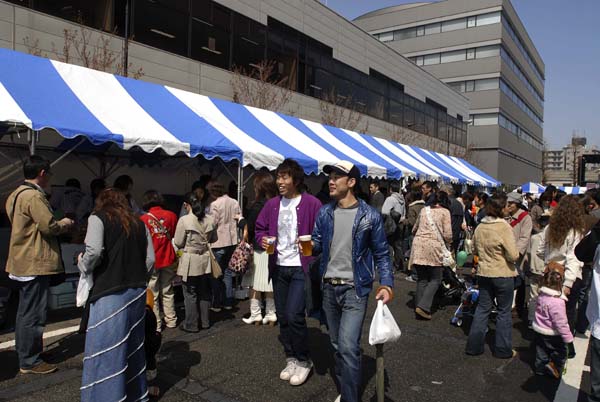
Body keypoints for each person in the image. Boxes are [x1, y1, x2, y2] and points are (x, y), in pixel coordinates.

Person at [312, 161, 394, 402]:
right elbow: (316, 242)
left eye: (337, 176)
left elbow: (381, 253)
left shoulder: (370, 216)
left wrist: (386, 283)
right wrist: (307, 245)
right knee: (338, 345)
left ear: (351, 182)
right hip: (328, 287)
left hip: (355, 290)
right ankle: (346, 388)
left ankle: (349, 397)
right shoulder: (325, 212)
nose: (331, 180)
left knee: (348, 347)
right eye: (330, 176)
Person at [78, 188, 155, 401]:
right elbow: (150, 260)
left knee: (106, 349)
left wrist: (83, 265)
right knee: (133, 348)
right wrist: (142, 279)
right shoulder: (139, 222)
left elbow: (92, 251)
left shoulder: (98, 218)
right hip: (137, 291)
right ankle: (135, 395)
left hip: (110, 292)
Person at [255, 158, 322, 386]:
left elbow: (322, 232)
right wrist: (262, 240)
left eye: (284, 177)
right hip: (279, 266)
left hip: (300, 268)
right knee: (283, 315)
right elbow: (260, 229)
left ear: (296, 179)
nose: (279, 181)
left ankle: (304, 360)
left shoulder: (311, 203)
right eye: (278, 176)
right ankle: (291, 357)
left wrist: (312, 243)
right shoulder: (272, 204)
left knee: (294, 315)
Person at [5, 156, 74, 374]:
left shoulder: (15, 194)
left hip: (21, 258)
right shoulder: (34, 196)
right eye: (50, 174)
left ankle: (28, 351)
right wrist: (66, 223)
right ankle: (30, 360)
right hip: (35, 260)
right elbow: (49, 226)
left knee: (25, 311)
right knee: (33, 313)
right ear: (42, 173)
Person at [466, 193, 519, 358]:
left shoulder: (481, 226)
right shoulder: (504, 227)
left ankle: (474, 346)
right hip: (502, 273)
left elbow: (473, 250)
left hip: (484, 272)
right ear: (502, 208)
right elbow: (513, 255)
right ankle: (503, 349)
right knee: (504, 312)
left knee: (482, 309)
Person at [537, 195, 586, 358]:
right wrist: (568, 284)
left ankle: (546, 349)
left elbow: (540, 250)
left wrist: (549, 262)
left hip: (549, 275)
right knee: (567, 313)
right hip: (567, 277)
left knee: (547, 312)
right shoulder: (575, 232)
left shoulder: (550, 227)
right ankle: (564, 348)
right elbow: (574, 258)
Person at [174, 193, 217, 332]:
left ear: (187, 205)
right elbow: (214, 239)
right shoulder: (210, 219)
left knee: (190, 293)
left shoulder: (184, 220)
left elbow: (178, 242)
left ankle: (191, 324)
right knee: (204, 292)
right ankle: (205, 322)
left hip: (190, 260)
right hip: (205, 259)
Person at [242, 171, 279, 325]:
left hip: (259, 247)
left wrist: (240, 222)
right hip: (274, 247)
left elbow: (250, 228)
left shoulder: (257, 206)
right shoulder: (278, 203)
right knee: (269, 282)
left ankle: (256, 313)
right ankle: (271, 313)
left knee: (255, 282)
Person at [410, 191, 452, 320]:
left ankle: (419, 306)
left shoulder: (424, 210)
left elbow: (414, 229)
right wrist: (449, 244)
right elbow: (448, 235)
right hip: (434, 247)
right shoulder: (445, 212)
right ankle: (423, 306)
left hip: (418, 245)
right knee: (435, 279)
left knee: (422, 279)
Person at [140, 190, 179, 331]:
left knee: (153, 293)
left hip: (151, 259)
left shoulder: (143, 219)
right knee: (168, 290)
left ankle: (155, 323)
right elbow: (174, 235)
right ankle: (171, 319)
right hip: (168, 257)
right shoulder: (172, 215)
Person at [532, 262, 573, 379]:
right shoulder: (557, 302)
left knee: (541, 350)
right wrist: (568, 339)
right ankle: (554, 366)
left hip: (540, 329)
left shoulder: (541, 295)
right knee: (560, 351)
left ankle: (539, 369)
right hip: (552, 332)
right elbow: (561, 323)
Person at [207, 180, 242, 311]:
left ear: (213, 192)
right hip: (232, 241)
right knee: (227, 273)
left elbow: (212, 224)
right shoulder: (234, 202)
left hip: (218, 242)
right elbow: (239, 219)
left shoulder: (214, 205)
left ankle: (217, 303)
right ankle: (228, 301)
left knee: (216, 274)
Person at [506, 191, 532, 316]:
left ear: (517, 204)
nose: (508, 205)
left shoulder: (525, 217)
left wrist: (515, 253)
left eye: (511, 203)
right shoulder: (505, 215)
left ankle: (519, 306)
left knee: (519, 279)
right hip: (504, 253)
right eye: (507, 203)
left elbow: (524, 238)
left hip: (517, 254)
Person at [382, 181, 406, 272]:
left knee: (389, 245)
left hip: (391, 224)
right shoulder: (401, 199)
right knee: (398, 245)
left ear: (391, 189)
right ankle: (399, 264)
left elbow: (384, 212)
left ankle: (390, 265)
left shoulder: (390, 199)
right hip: (400, 224)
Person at [440, 184, 465, 253]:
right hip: (456, 234)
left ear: (446, 192)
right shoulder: (459, 203)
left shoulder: (446, 203)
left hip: (447, 234)